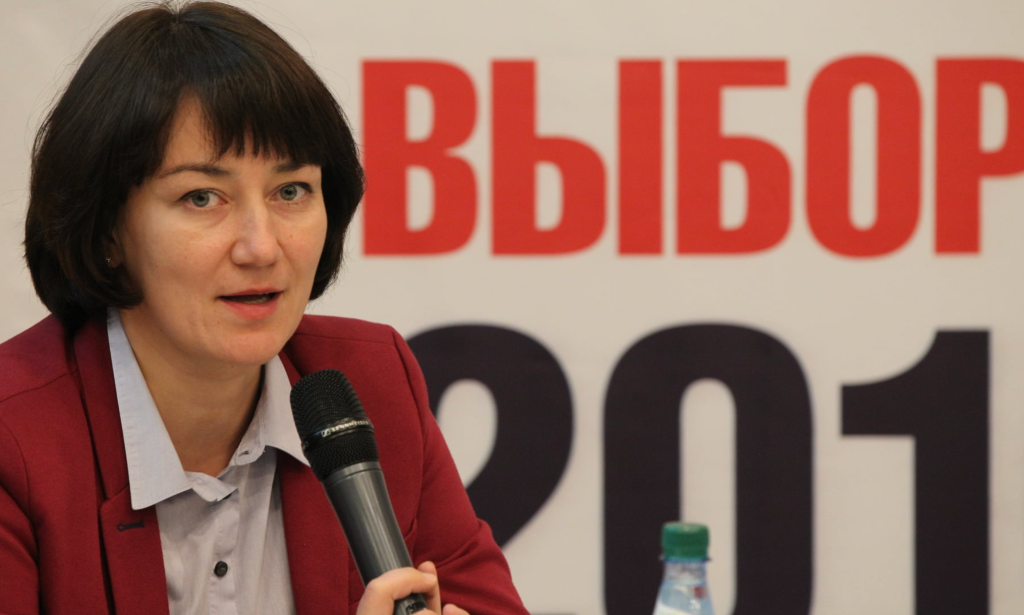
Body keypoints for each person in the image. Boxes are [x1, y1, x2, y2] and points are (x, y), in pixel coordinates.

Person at [0, 2, 529, 614]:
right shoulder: (16, 440)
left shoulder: (372, 382)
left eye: (291, 191)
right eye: (203, 197)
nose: (262, 247)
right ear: (107, 232)